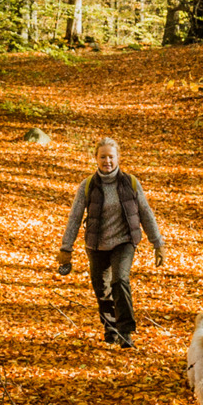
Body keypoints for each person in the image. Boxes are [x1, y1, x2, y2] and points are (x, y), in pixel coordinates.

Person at [54, 136, 165, 349]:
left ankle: (125, 332)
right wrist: (66, 248)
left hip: (124, 242)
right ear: (96, 158)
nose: (107, 161)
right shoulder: (87, 186)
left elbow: (145, 213)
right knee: (101, 288)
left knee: (120, 281)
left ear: (118, 158)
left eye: (111, 157)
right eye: (103, 157)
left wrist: (158, 244)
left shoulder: (130, 183)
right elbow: (75, 217)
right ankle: (110, 327)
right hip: (96, 245)